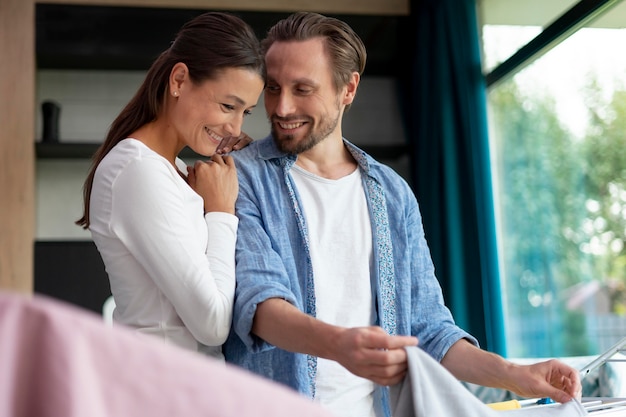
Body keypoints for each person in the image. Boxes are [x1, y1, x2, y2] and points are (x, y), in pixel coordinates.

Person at [222, 11, 582, 417]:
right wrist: (341, 344)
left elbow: (429, 329)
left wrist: (515, 374)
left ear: (348, 88)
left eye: (303, 89)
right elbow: (259, 305)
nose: (282, 107)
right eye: (273, 87)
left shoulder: (392, 193)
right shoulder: (240, 175)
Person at [75, 12, 265, 360]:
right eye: (227, 106)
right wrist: (221, 212)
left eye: (246, 113)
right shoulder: (138, 171)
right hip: (162, 388)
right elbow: (212, 323)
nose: (236, 127)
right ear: (179, 80)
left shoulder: (171, 169)